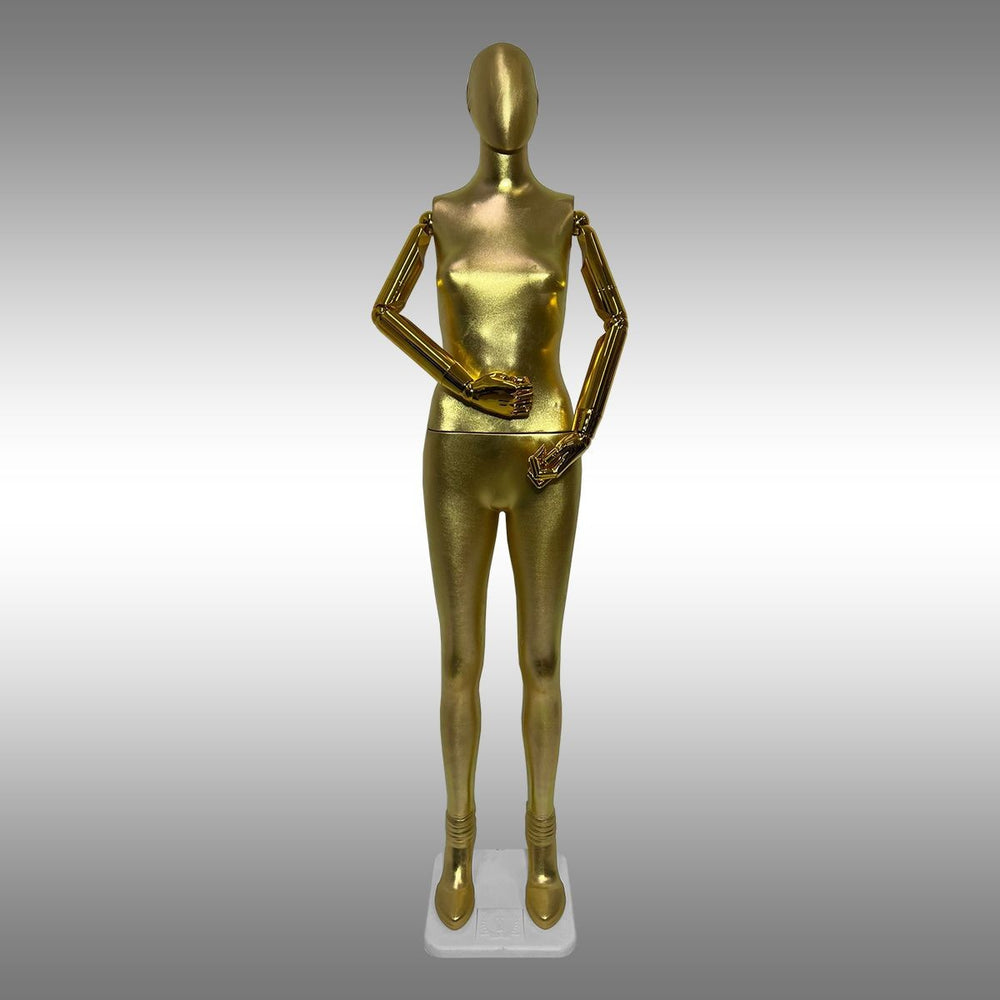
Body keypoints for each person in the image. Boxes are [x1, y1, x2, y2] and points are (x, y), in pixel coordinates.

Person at [371, 42, 628, 931]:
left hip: (547, 454)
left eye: (521, 88)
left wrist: (581, 432)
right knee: (459, 659)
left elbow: (615, 319)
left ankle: (543, 843)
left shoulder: (566, 216)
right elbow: (385, 307)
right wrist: (467, 381)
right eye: (491, 87)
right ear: (469, 103)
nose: (507, 102)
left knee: (543, 659)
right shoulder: (441, 215)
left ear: (540, 103)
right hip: (457, 451)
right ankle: (457, 844)